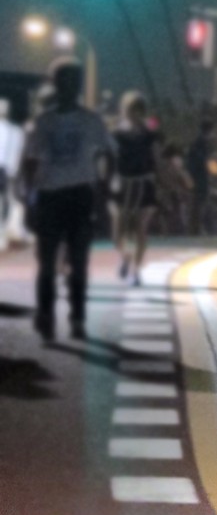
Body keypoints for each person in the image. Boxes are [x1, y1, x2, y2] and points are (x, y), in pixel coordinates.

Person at [22, 59, 114, 342]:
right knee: (47, 262)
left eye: (74, 82)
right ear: (56, 85)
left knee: (78, 261)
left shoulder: (90, 120)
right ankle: (47, 315)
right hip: (50, 195)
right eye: (64, 82)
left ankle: (76, 317)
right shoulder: (44, 121)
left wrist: (102, 189)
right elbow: (30, 161)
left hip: (79, 195)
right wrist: (29, 198)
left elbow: (107, 154)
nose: (69, 88)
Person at [111, 91, 159, 283]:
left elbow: (157, 160)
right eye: (131, 109)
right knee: (118, 231)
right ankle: (125, 256)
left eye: (138, 110)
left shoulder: (150, 135)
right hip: (122, 184)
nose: (134, 113)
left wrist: (161, 183)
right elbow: (109, 158)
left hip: (144, 183)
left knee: (141, 230)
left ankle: (136, 271)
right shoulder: (117, 134)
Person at [0, 98, 25, 246]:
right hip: (6, 169)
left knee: (6, 200)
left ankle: (3, 231)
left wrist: (13, 171)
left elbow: (16, 151)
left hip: (5, 169)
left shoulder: (14, 131)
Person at [185, 117, 215, 235]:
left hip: (196, 176)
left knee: (197, 203)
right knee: (201, 203)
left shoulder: (196, 143)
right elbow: (203, 161)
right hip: (200, 177)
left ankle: (195, 227)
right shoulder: (203, 144)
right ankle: (198, 227)